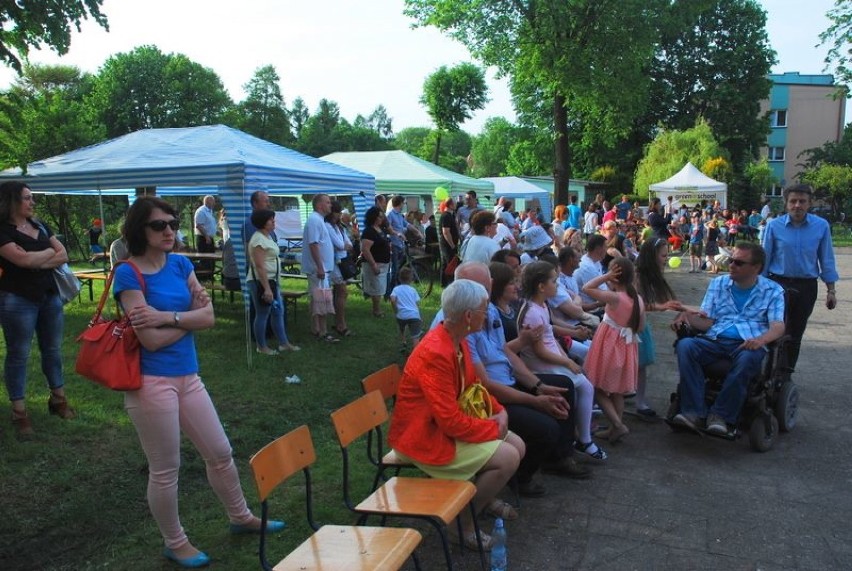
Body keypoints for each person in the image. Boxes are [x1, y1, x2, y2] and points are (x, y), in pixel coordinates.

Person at [114, 196, 283, 568]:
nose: (169, 231)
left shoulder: (180, 264)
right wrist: (187, 316)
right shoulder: (128, 273)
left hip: (188, 376)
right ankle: (175, 542)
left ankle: (240, 517)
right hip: (151, 383)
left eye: (172, 224)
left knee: (220, 452)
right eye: (159, 225)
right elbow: (151, 341)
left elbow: (208, 318)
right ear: (139, 229)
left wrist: (168, 316)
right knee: (165, 467)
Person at [388, 279, 525, 551]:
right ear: (468, 316)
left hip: (439, 427)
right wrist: (493, 429)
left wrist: (499, 411)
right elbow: (449, 421)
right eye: (484, 309)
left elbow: (474, 385)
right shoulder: (436, 352)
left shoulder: (456, 339)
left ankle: (481, 501)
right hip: (423, 437)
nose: (488, 315)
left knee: (517, 445)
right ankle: (459, 525)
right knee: (508, 457)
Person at [671, 242, 785, 434]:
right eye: (731, 260)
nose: (731, 265)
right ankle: (693, 412)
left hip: (747, 344)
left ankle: (721, 416)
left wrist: (761, 340)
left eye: (739, 263)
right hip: (716, 340)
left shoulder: (773, 291)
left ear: (756, 267)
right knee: (686, 345)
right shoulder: (719, 283)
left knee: (749, 357)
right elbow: (707, 321)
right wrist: (687, 318)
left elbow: (778, 326)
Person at [0, 181, 74, 438]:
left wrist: (34, 261)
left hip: (49, 296)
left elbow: (63, 254)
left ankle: (58, 399)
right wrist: (42, 255)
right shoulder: (3, 230)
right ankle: (19, 413)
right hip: (17, 300)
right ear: (11, 201)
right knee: (18, 354)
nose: (32, 202)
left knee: (52, 350)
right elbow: (20, 259)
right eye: (27, 198)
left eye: (32, 198)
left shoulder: (40, 225)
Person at [518, 261, 607, 462]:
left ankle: (582, 436)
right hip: (540, 365)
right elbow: (540, 350)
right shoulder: (532, 312)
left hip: (552, 358)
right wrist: (566, 363)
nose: (557, 285)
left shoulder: (542, 305)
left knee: (585, 384)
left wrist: (566, 356)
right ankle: (583, 439)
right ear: (541, 286)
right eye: (554, 281)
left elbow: (550, 335)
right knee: (584, 385)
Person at [762, 183, 838, 371]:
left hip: (806, 287)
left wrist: (831, 290)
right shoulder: (774, 226)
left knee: (794, 335)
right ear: (786, 204)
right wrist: (759, 286)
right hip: (777, 285)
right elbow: (765, 258)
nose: (797, 205)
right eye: (793, 201)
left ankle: (785, 376)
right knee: (773, 330)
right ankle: (767, 374)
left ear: (809, 204)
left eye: (802, 201)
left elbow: (826, 259)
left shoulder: (821, 226)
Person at [581, 257, 644, 443]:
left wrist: (606, 276)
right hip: (626, 347)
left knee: (598, 386)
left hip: (609, 346)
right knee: (617, 391)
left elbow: (587, 288)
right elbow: (640, 328)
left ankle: (617, 425)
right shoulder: (637, 299)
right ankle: (613, 428)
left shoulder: (615, 297)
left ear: (614, 276)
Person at [635, 238, 683, 417]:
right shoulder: (638, 275)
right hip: (629, 326)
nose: (666, 258)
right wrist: (662, 306)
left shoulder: (649, 275)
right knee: (634, 364)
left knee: (641, 365)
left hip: (640, 324)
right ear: (652, 255)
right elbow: (635, 304)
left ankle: (639, 401)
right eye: (663, 255)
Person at [247, 209, 300, 355]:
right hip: (261, 281)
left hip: (272, 280)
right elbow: (259, 265)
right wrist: (266, 288)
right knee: (263, 313)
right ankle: (261, 346)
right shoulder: (258, 239)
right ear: (263, 223)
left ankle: (284, 343)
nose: (274, 222)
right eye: (271, 220)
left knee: (278, 311)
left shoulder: (268, 236)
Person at [302, 193, 337, 342]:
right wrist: (320, 267)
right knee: (322, 300)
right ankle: (323, 332)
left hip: (321, 269)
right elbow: (313, 244)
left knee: (317, 299)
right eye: (328, 202)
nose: (330, 205)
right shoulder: (315, 220)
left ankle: (316, 328)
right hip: (319, 270)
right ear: (319, 205)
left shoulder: (318, 220)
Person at [325, 201, 354, 337]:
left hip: (342, 261)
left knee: (340, 292)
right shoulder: (328, 226)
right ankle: (340, 324)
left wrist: (344, 245)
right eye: (337, 213)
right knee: (342, 291)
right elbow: (339, 244)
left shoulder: (338, 227)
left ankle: (339, 322)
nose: (338, 216)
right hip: (335, 263)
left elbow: (347, 242)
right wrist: (344, 245)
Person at [360, 206, 391, 318]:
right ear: (373, 217)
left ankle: (377, 308)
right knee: (376, 288)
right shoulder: (369, 231)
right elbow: (365, 249)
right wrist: (373, 264)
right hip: (374, 263)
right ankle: (376, 310)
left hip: (383, 263)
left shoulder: (380, 229)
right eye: (379, 217)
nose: (381, 219)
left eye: (382, 217)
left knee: (380, 287)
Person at [390, 266, 421, 351]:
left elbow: (392, 300)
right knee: (416, 336)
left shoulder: (396, 289)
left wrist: (395, 310)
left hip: (401, 315)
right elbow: (418, 303)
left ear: (399, 278)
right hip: (414, 316)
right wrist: (417, 313)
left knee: (401, 328)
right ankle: (416, 351)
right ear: (411, 279)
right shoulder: (413, 290)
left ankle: (403, 342)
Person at [438, 197, 460, 287]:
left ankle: (443, 284)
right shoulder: (446, 216)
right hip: (448, 244)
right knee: (449, 264)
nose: (456, 205)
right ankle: (449, 284)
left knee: (445, 264)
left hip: (449, 244)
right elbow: (446, 232)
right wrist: (452, 245)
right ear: (450, 205)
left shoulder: (450, 215)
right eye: (454, 203)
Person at [193, 195, 217, 274]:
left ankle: (210, 276)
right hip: (203, 239)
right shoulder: (201, 211)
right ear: (208, 201)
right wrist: (206, 236)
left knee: (211, 259)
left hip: (209, 238)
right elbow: (199, 225)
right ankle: (204, 277)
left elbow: (209, 224)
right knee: (205, 259)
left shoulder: (209, 211)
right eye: (213, 201)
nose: (214, 203)